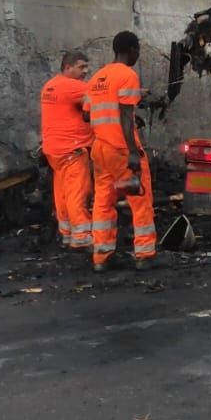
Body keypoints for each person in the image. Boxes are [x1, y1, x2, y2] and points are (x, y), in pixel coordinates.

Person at [85, 32, 158, 271]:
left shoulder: (97, 77)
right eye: (138, 51)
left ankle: (101, 257)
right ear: (132, 49)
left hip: (100, 149)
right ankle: (144, 254)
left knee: (103, 201)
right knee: (140, 199)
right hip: (121, 150)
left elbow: (87, 113)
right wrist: (133, 152)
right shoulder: (128, 75)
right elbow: (126, 116)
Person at [39, 51, 93, 250]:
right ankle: (82, 236)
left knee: (62, 193)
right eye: (81, 67)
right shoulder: (74, 86)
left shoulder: (50, 86)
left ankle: (67, 233)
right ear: (68, 67)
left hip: (53, 150)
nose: (85, 71)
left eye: (86, 67)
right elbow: (102, 98)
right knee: (77, 193)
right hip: (72, 149)